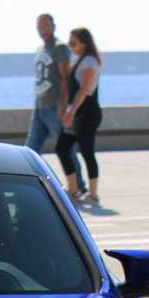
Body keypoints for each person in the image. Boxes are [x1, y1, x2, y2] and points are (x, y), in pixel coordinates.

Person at [24, 15, 85, 194]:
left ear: (53, 27)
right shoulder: (40, 48)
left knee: (64, 148)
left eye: (46, 26)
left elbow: (66, 78)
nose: (43, 30)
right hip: (40, 106)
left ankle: (78, 186)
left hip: (54, 108)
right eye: (39, 27)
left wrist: (62, 105)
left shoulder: (59, 48)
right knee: (30, 150)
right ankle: (29, 184)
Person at [56, 28, 103, 206]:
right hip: (76, 113)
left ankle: (93, 193)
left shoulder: (90, 61)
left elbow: (84, 89)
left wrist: (71, 110)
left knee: (87, 151)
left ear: (84, 43)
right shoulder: (80, 61)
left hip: (86, 114)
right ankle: (73, 189)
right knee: (62, 147)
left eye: (73, 43)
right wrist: (66, 108)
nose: (71, 47)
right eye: (70, 43)